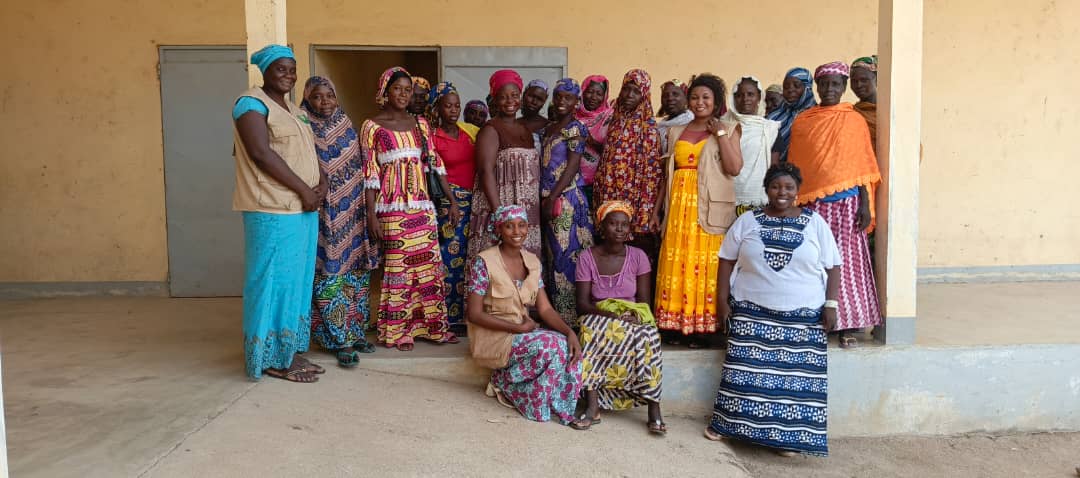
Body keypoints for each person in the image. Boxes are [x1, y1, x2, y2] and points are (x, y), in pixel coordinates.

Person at [704, 162, 840, 457]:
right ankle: (727, 426)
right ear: (766, 189)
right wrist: (722, 301)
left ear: (797, 190)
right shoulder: (747, 221)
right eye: (776, 186)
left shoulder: (815, 223)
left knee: (795, 383)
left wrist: (831, 304)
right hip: (752, 312)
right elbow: (726, 259)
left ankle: (786, 438)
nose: (782, 192)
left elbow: (833, 265)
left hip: (803, 317)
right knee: (741, 375)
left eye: (789, 187)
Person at [232, 45, 325, 382]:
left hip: (302, 209)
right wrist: (304, 189)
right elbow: (260, 153)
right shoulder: (251, 104)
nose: (288, 75)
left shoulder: (294, 110)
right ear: (266, 71)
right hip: (273, 208)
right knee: (271, 283)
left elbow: (306, 154)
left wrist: (321, 183)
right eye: (281, 69)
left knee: (295, 284)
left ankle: (289, 352)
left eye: (292, 69)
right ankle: (270, 358)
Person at [360, 67, 460, 351]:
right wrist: (371, 215)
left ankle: (432, 328)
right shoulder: (371, 126)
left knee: (428, 268)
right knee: (399, 269)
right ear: (385, 91)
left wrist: (451, 200)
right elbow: (370, 173)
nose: (403, 95)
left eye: (407, 90)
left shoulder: (421, 124)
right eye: (397, 89)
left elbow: (435, 164)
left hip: (422, 206)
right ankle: (397, 331)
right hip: (391, 208)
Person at [788, 61, 882, 348]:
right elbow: (797, 166)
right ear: (817, 86)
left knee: (848, 265)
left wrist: (865, 205)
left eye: (836, 84)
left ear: (843, 87)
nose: (830, 89)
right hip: (814, 207)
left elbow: (862, 165)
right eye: (825, 84)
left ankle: (848, 325)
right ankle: (817, 321)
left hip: (848, 205)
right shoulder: (804, 121)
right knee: (814, 263)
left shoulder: (854, 120)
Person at [465, 205, 583, 425]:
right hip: (495, 338)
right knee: (550, 345)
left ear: (528, 228)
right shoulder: (484, 262)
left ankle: (562, 408)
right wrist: (518, 328)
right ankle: (510, 384)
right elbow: (474, 314)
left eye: (522, 225)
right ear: (499, 229)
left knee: (566, 346)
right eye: (509, 226)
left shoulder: (532, 262)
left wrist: (570, 333)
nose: (516, 231)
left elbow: (545, 309)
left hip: (522, 334)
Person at [655, 73, 743, 348]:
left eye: (706, 97)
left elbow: (734, 168)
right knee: (678, 264)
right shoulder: (676, 131)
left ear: (716, 101)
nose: (699, 102)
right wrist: (657, 211)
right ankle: (676, 326)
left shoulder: (730, 128)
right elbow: (667, 176)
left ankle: (705, 329)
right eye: (694, 97)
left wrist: (719, 133)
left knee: (707, 266)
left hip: (708, 208)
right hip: (679, 210)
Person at [299, 76, 380, 368]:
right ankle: (338, 339)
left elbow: (359, 166)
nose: (325, 102)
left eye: (329, 95)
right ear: (307, 99)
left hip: (354, 214)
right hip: (324, 215)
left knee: (356, 274)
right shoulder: (303, 126)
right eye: (317, 96)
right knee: (329, 275)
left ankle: (356, 332)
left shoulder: (345, 124)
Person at [572, 201, 665, 435]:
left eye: (624, 224)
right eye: (613, 223)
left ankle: (654, 407)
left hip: (631, 314)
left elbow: (643, 302)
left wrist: (632, 316)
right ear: (602, 227)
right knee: (590, 331)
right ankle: (592, 406)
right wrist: (612, 315)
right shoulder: (586, 257)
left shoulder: (639, 257)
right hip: (598, 314)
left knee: (649, 335)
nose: (620, 229)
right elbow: (582, 304)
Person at [467, 69, 542, 260]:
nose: (510, 101)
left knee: (525, 261)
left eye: (514, 95)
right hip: (503, 205)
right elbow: (485, 171)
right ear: (494, 99)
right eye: (503, 97)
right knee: (500, 261)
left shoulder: (524, 129)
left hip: (526, 208)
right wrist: (500, 213)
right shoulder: (490, 129)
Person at [593, 69, 665, 266]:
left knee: (634, 258)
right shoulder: (614, 122)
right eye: (626, 89)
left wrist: (645, 214)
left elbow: (652, 176)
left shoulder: (648, 128)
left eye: (636, 91)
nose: (629, 95)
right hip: (611, 198)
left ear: (644, 96)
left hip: (636, 205)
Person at [539, 78, 595, 323]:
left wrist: (553, 196)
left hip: (567, 200)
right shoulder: (550, 128)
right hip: (549, 200)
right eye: (558, 96)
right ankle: (556, 316)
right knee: (553, 258)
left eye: (568, 97)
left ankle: (572, 319)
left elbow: (572, 166)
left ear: (576, 102)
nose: (562, 101)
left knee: (567, 257)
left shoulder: (575, 128)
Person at [426, 81, 478, 330]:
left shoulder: (468, 132)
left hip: (473, 201)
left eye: (457, 105)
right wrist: (453, 203)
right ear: (437, 108)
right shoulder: (432, 137)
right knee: (449, 259)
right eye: (448, 106)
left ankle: (467, 314)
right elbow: (438, 172)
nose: (454, 110)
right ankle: (448, 317)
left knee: (469, 258)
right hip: (450, 205)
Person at [723, 76, 781, 216]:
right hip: (725, 199)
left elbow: (773, 168)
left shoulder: (770, 129)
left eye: (750, 94)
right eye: (739, 95)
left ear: (759, 98)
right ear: (733, 98)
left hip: (759, 200)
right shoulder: (722, 126)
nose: (745, 99)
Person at [574, 75, 615, 203]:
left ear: (605, 96)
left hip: (599, 181)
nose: (593, 97)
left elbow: (614, 151)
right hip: (571, 181)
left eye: (599, 94)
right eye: (590, 92)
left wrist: (591, 141)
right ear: (583, 92)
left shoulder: (611, 117)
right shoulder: (572, 115)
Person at [766, 68, 816, 162]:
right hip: (774, 168)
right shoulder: (774, 117)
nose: (790, 90)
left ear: (807, 88)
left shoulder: (818, 116)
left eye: (796, 86)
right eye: (786, 87)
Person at [656, 79, 694, 156]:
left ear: (686, 99)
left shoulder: (692, 123)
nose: (670, 98)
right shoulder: (659, 127)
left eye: (675, 94)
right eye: (665, 96)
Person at [851, 55, 878, 152]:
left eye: (864, 80)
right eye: (854, 81)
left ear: (877, 80)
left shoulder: (890, 113)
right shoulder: (851, 113)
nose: (858, 85)